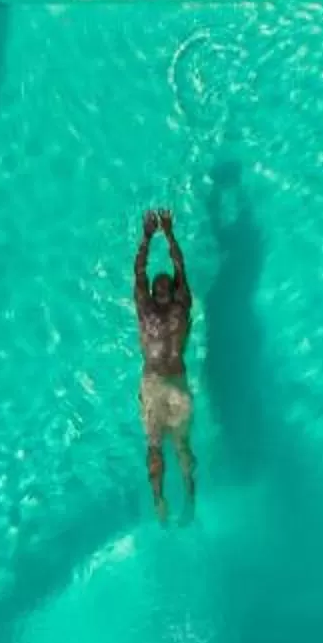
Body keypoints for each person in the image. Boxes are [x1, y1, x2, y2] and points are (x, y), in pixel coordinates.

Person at [133, 207, 196, 519]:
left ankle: (159, 501)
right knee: (182, 444)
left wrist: (148, 236)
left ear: (153, 292)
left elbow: (139, 273)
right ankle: (189, 498)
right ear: (172, 290)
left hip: (153, 382)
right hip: (178, 382)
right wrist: (169, 232)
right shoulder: (182, 307)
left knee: (155, 447)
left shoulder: (144, 310)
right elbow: (180, 267)